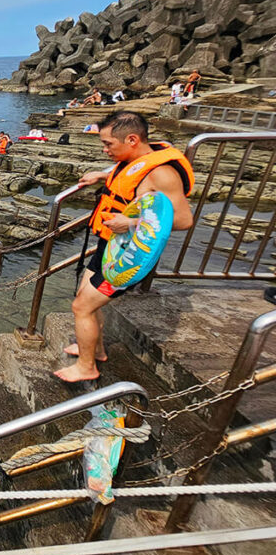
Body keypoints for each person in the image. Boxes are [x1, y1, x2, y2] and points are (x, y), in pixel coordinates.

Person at [54, 111, 194, 383]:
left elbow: (183, 220)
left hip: (130, 256)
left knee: (82, 307)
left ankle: (86, 367)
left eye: (108, 144)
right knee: (84, 294)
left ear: (132, 139)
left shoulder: (163, 174)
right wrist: (102, 176)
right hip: (110, 245)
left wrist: (130, 222)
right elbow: (129, 183)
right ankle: (96, 349)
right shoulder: (135, 159)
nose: (104, 150)